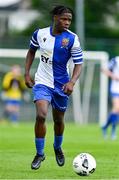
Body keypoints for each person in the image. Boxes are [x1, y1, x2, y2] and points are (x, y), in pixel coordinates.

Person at [24, 5, 83, 170]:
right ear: (55, 18)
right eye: (64, 18)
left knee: (58, 120)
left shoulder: (72, 38)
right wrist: (26, 74)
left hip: (62, 84)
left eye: (69, 20)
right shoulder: (40, 33)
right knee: (41, 116)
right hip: (42, 81)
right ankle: (39, 153)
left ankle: (57, 147)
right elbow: (31, 52)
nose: (67, 22)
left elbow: (79, 64)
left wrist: (72, 82)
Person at [101, 56, 119, 140]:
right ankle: (113, 131)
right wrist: (113, 76)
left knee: (116, 110)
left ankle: (105, 126)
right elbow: (104, 69)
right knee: (116, 108)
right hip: (116, 89)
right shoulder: (116, 60)